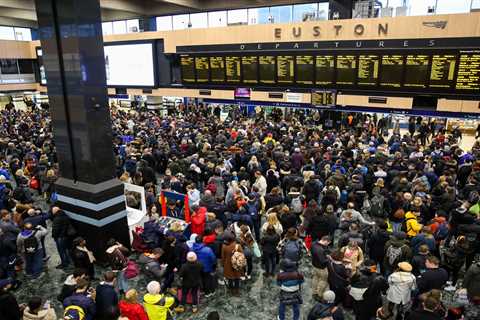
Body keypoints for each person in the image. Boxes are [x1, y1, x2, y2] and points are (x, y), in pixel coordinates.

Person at [221, 231, 243, 295]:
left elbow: (223, 257)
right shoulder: (238, 246)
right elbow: (241, 254)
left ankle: (231, 288)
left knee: (230, 277)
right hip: (237, 264)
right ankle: (237, 290)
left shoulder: (224, 246)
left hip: (228, 265)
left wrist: (223, 264)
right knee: (237, 278)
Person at [311, 235, 331, 300]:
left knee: (315, 278)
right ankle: (319, 294)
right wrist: (329, 259)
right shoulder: (320, 250)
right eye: (328, 243)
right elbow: (323, 261)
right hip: (322, 269)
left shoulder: (313, 243)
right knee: (323, 281)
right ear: (325, 241)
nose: (327, 245)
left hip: (314, 266)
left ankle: (314, 292)